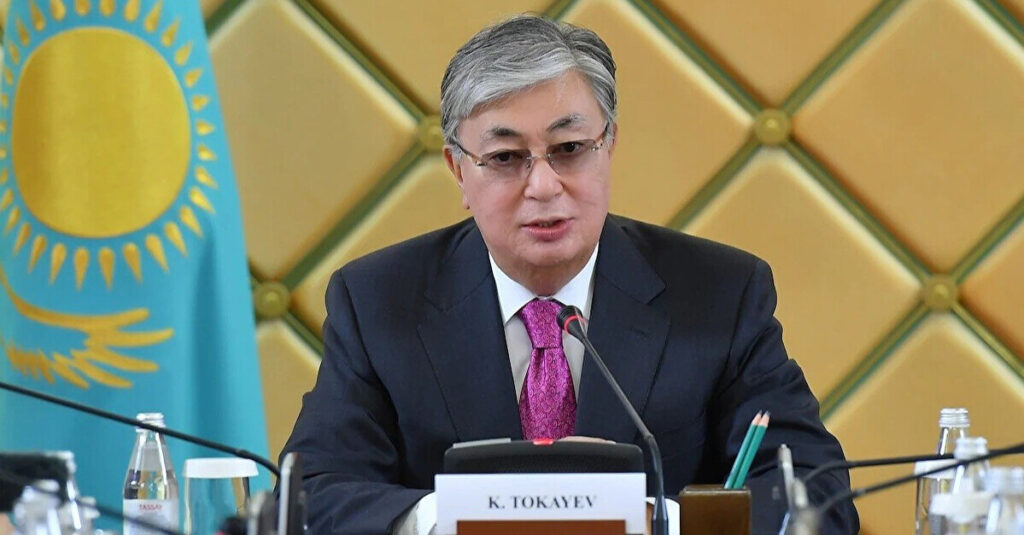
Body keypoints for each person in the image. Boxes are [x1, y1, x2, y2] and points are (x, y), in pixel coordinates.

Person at [282, 15, 859, 535]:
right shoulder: (379, 300)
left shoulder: (720, 293)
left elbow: (819, 497)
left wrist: (657, 521)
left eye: (569, 148)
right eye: (505, 158)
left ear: (609, 146)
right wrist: (453, 517)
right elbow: (311, 496)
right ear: (458, 170)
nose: (543, 186)